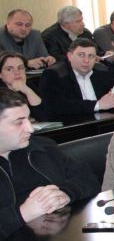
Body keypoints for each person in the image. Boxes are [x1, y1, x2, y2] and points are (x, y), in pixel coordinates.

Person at [0, 89, 99, 233]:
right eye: (19, 122)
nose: (30, 129)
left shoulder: (42, 147)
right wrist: (23, 214)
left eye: (29, 119)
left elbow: (89, 180)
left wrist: (64, 193)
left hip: (60, 237)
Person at [38, 39, 114, 121]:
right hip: (72, 124)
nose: (86, 60)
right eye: (81, 55)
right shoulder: (54, 74)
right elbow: (55, 105)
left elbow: (112, 100)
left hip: (103, 121)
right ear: (70, 56)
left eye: (91, 56)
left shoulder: (102, 71)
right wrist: (98, 105)